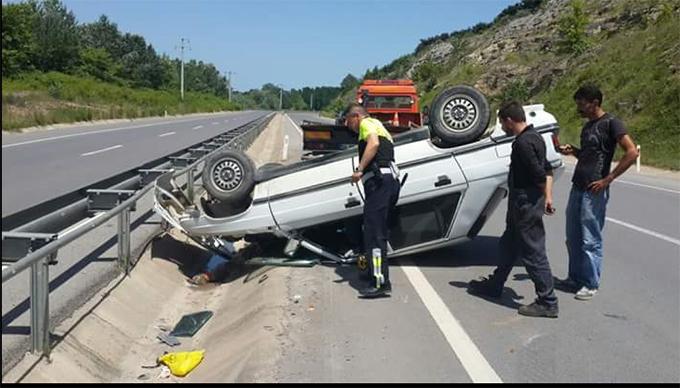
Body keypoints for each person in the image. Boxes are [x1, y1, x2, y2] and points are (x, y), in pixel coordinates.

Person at [469, 101, 559, 318]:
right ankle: (496, 284)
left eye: (502, 123)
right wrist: (547, 196)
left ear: (510, 120)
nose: (502, 127)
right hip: (525, 201)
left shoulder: (523, 143)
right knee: (509, 244)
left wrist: (538, 197)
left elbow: (539, 174)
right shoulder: (535, 137)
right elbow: (548, 169)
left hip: (525, 202)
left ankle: (547, 301)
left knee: (533, 251)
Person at [555, 84, 638, 300]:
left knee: (590, 239)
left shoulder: (612, 123)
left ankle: (590, 283)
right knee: (572, 237)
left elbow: (631, 152)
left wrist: (608, 179)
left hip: (595, 188)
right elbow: (589, 155)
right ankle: (574, 278)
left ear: (595, 103)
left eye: (582, 104)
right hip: (578, 185)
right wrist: (573, 151)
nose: (579, 109)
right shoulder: (588, 126)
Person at [346, 103, 401, 298]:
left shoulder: (367, 123)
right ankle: (374, 274)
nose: (348, 126)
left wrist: (359, 169)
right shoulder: (380, 125)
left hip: (379, 183)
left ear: (356, 116)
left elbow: (374, 143)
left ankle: (379, 282)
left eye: (348, 121)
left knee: (374, 234)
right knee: (376, 231)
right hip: (387, 182)